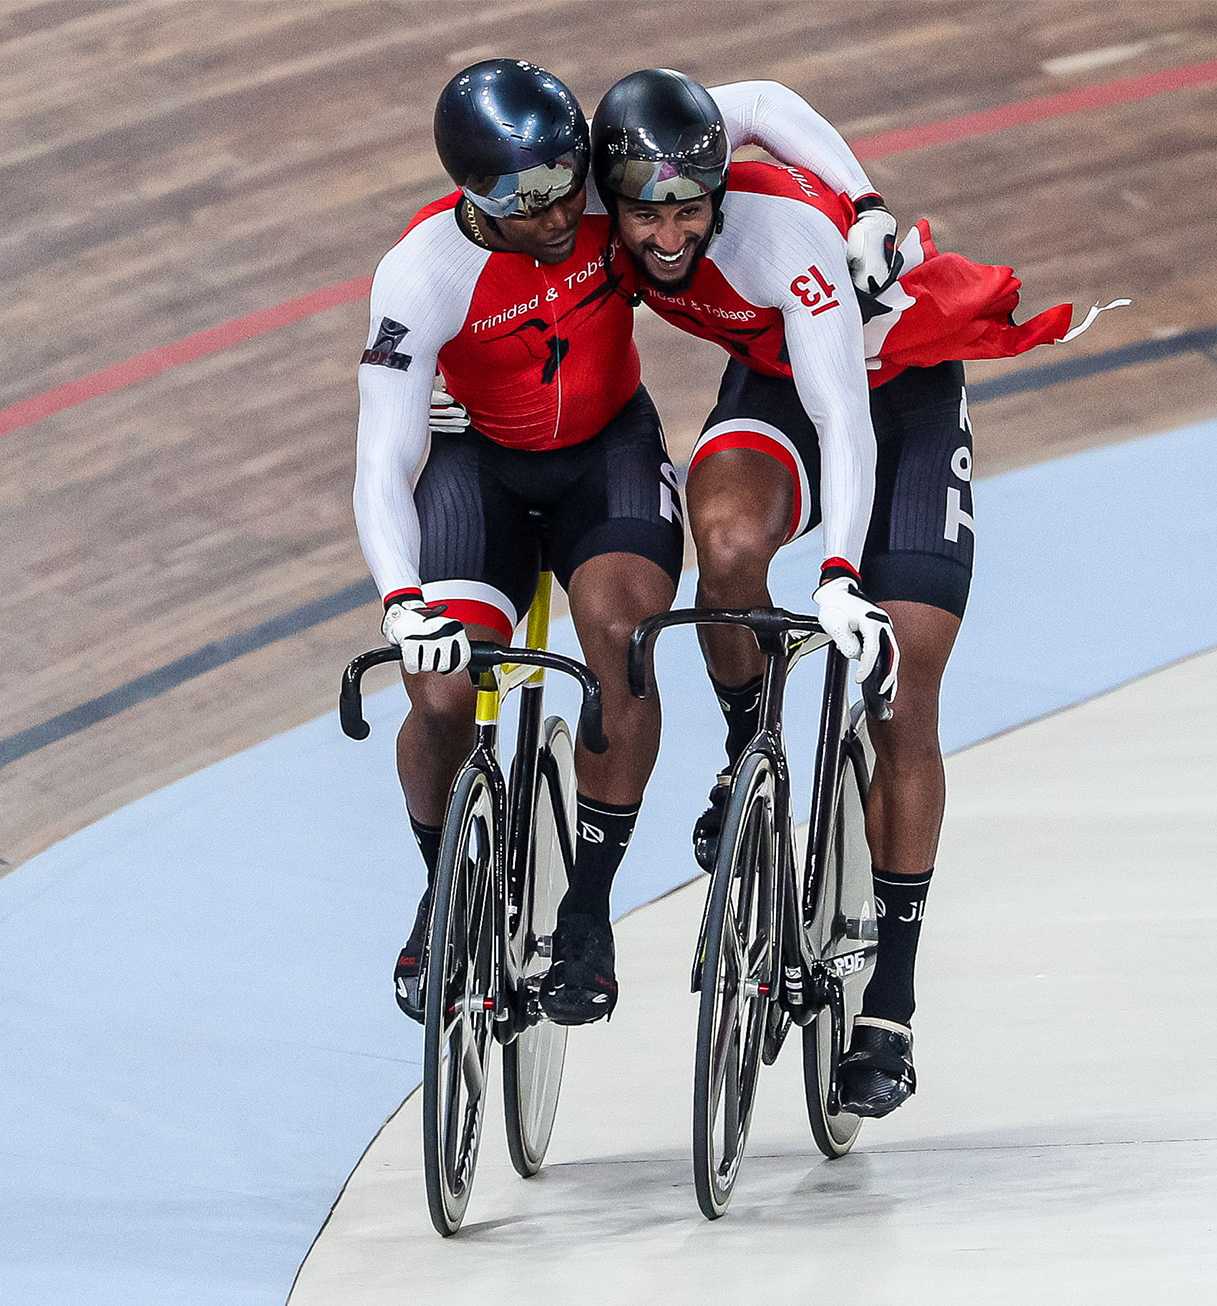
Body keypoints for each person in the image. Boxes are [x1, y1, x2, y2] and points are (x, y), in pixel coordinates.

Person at [588, 68, 1120, 1110]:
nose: (665, 234)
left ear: (719, 198)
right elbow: (753, 97)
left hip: (896, 400)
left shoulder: (779, 237)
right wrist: (868, 195)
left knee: (898, 687)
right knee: (729, 545)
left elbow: (847, 426)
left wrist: (838, 573)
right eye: (646, 211)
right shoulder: (645, 181)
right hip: (780, 379)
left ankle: (891, 1003)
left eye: (687, 209)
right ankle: (751, 754)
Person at [355, 59, 897, 1027]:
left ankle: (586, 912)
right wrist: (402, 601)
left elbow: (757, 105)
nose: (558, 211)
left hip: (606, 454)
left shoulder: (629, 180)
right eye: (523, 198)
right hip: (472, 466)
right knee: (439, 688)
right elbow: (381, 456)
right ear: (468, 191)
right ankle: (446, 887)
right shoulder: (421, 272)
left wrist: (861, 204)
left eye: (567, 178)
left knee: (626, 641)